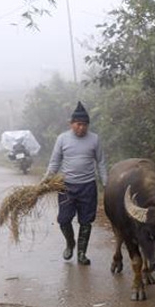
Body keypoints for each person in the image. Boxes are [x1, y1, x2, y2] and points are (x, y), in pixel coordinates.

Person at [41, 101, 108, 265]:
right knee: (64, 219)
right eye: (78, 124)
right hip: (66, 187)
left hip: (88, 186)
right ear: (71, 124)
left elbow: (101, 162)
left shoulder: (94, 139)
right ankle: (70, 243)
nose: (82, 128)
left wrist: (106, 184)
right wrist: (46, 179)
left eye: (85, 125)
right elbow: (55, 162)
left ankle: (81, 254)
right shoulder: (62, 139)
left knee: (86, 221)